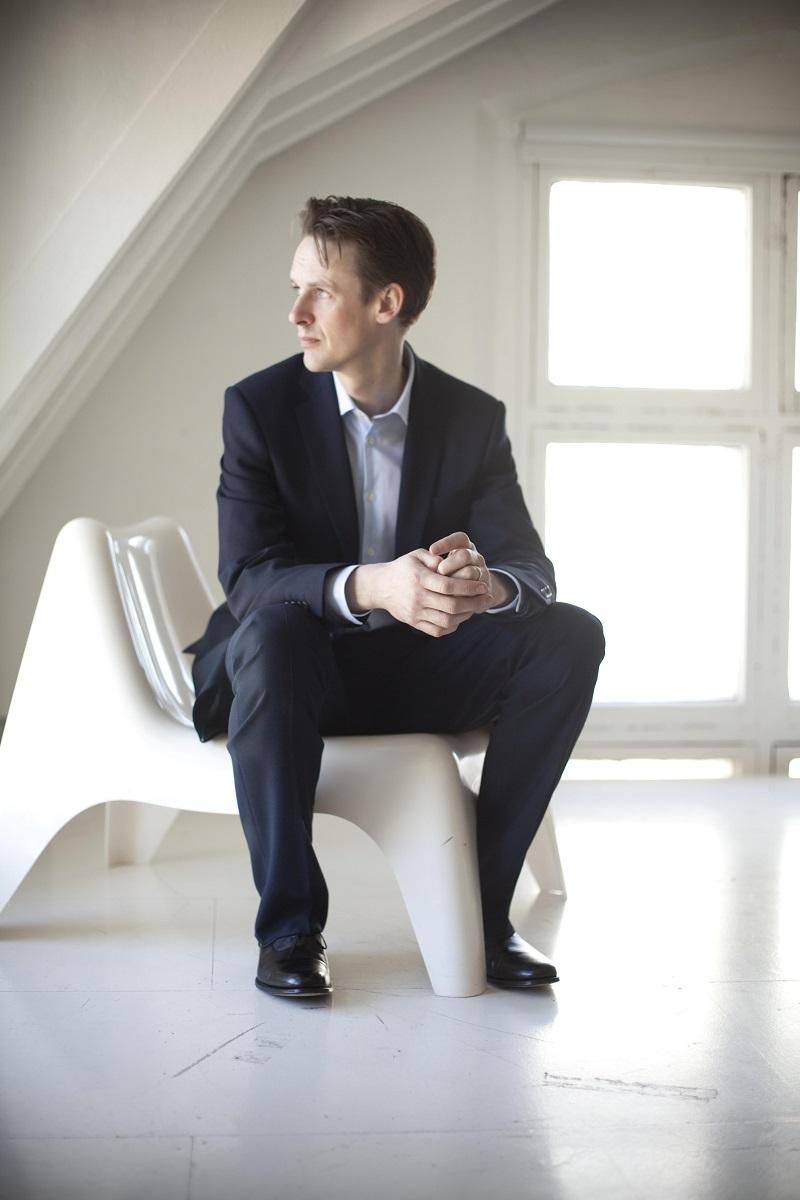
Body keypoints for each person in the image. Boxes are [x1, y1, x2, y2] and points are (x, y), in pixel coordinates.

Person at [182, 195, 605, 999]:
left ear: (387, 303)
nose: (296, 313)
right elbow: (248, 577)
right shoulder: (260, 408)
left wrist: (483, 586)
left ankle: (482, 916)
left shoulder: (471, 418)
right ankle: (290, 931)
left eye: (320, 292)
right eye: (297, 290)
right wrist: (374, 584)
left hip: (416, 668)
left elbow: (531, 569)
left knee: (572, 635)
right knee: (273, 631)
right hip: (290, 675)